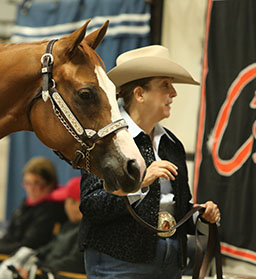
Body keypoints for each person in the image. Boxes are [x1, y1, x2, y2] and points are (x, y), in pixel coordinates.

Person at [79, 45, 221, 279]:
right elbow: (92, 206)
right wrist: (139, 184)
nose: (173, 93)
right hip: (118, 263)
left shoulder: (171, 144)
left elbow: (180, 206)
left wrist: (199, 216)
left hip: (170, 263)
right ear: (139, 94)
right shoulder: (105, 141)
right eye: (165, 85)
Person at [0, 176, 85, 279]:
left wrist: (39, 268)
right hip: (44, 270)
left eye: (67, 201)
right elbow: (49, 247)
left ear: (76, 204)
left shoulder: (85, 231)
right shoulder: (67, 226)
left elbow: (75, 262)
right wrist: (32, 258)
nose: (65, 206)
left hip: (54, 273)